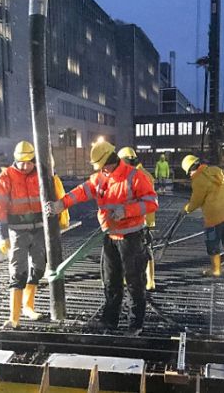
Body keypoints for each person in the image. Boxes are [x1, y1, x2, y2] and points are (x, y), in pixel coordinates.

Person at [46, 141, 158, 335]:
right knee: (111, 281)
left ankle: (135, 325)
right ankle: (110, 320)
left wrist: (126, 211)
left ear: (111, 159)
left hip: (131, 237)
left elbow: (151, 202)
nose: (102, 170)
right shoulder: (100, 178)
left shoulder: (135, 177)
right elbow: (81, 192)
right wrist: (60, 205)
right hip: (110, 236)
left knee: (134, 282)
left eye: (103, 166)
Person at [0, 141, 67, 329]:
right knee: (18, 271)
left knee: (39, 267)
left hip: (40, 229)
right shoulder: (5, 177)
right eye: (21, 163)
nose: (25, 166)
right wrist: (3, 236)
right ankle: (14, 317)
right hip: (17, 231)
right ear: (15, 160)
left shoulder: (42, 175)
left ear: (34, 159)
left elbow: (56, 195)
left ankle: (28, 307)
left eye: (29, 162)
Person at [180, 154, 224, 276]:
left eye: (189, 172)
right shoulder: (215, 170)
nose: (189, 175)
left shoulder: (198, 180)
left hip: (214, 217)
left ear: (191, 169)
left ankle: (216, 270)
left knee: (212, 243)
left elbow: (196, 201)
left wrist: (186, 209)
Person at [118, 147, 157, 291]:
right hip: (143, 220)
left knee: (135, 251)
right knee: (144, 250)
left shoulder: (135, 176)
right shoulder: (144, 174)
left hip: (137, 221)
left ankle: (144, 280)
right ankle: (150, 281)